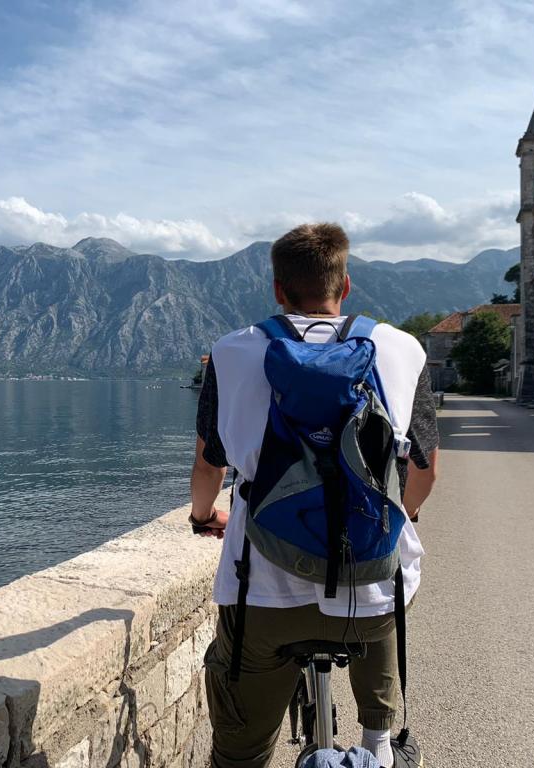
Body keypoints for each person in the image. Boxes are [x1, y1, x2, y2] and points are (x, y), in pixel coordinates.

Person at [189, 222, 439, 768]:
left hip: (262, 592)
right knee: (383, 590)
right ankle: (379, 745)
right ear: (344, 285)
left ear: (278, 289)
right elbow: (423, 472)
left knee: (239, 751)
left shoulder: (231, 353)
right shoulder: (402, 349)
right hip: (370, 596)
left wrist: (202, 516)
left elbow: (209, 466)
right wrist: (406, 513)